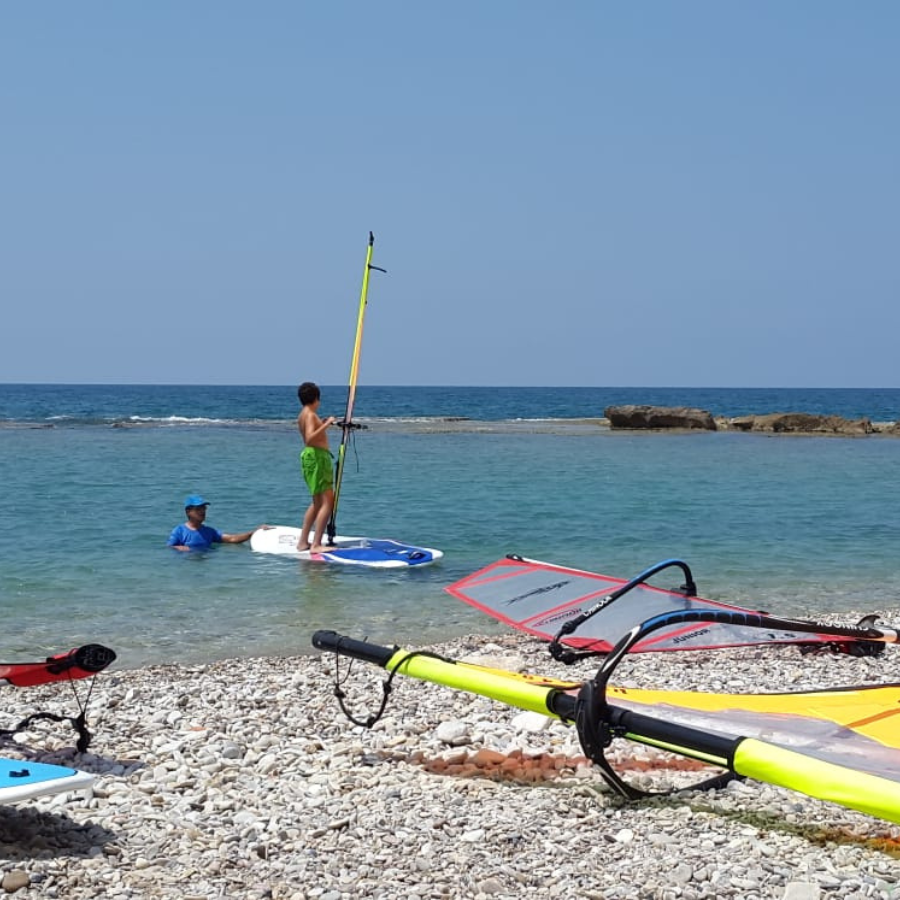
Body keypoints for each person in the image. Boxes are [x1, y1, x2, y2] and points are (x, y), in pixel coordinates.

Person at [296, 382, 336, 552]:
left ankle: (303, 542)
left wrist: (323, 423)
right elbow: (310, 438)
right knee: (328, 501)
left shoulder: (303, 414)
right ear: (316, 399)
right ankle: (316, 544)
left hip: (311, 457)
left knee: (317, 502)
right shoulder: (311, 415)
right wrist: (327, 424)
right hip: (317, 457)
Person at [167, 495, 268, 551]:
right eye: (198, 509)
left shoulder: (209, 532)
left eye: (204, 508)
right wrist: (178, 548)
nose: (202, 511)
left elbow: (232, 539)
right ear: (188, 511)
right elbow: (169, 548)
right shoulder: (179, 531)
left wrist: (253, 532)